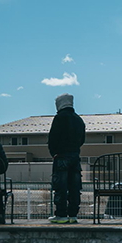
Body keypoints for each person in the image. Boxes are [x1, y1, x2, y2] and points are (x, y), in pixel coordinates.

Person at [47, 93, 86, 223]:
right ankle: (73, 215)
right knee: (74, 187)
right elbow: (82, 139)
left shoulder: (59, 118)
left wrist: (54, 153)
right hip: (75, 156)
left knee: (60, 186)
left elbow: (52, 138)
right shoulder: (79, 120)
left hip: (61, 156)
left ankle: (61, 214)